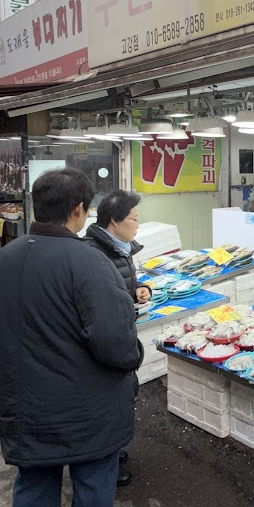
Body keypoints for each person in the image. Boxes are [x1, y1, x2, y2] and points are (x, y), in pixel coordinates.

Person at [0, 168, 142, 507]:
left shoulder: (6, 257)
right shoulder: (89, 261)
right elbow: (114, 340)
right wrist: (132, 359)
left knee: (35, 480)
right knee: (92, 480)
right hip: (88, 403)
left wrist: (28, 355)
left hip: (26, 400)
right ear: (79, 210)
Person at [82, 189, 150, 488]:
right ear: (114, 220)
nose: (138, 225)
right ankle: (103, 462)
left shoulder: (120, 248)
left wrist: (139, 289)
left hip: (122, 331)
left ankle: (114, 451)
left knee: (123, 397)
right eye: (134, 219)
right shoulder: (93, 253)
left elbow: (123, 283)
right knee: (107, 403)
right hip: (107, 339)